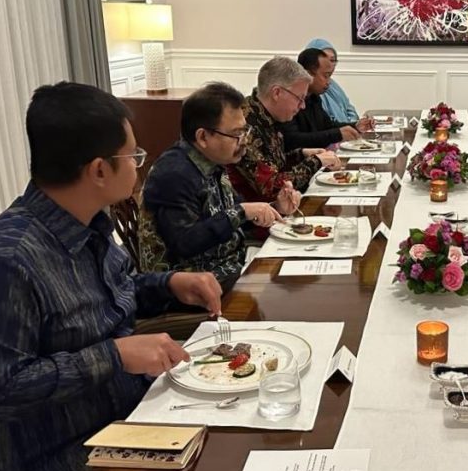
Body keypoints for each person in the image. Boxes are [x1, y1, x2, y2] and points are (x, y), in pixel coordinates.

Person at [0, 82, 223, 471]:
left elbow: (105, 296)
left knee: (237, 443)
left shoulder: (85, 223)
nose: (138, 165)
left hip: (127, 417)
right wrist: (115, 356)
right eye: (133, 157)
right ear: (98, 170)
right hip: (59, 461)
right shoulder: (3, 261)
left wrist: (169, 283)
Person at [138, 82, 301, 291]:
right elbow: (185, 244)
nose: (244, 142)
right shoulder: (174, 174)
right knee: (287, 286)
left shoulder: (212, 161)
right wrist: (241, 212)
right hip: (196, 285)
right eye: (236, 134)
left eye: (245, 131)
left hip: (230, 264)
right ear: (203, 137)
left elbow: (233, 218)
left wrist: (274, 208)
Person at [229, 56, 342, 201]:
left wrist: (302, 154)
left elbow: (273, 163)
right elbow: (272, 187)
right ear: (277, 93)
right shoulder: (245, 125)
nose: (302, 106)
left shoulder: (265, 113)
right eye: (299, 99)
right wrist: (316, 161)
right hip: (257, 218)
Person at [275, 48, 374, 150]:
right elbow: (293, 139)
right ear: (308, 75)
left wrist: (355, 126)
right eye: (326, 76)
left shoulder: (314, 97)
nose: (329, 82)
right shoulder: (289, 100)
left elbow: (327, 125)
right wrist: (337, 134)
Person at [306, 38, 359, 123]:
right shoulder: (311, 92)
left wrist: (353, 124)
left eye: (332, 60)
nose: (330, 64)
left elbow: (349, 108)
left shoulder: (333, 84)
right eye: (325, 59)